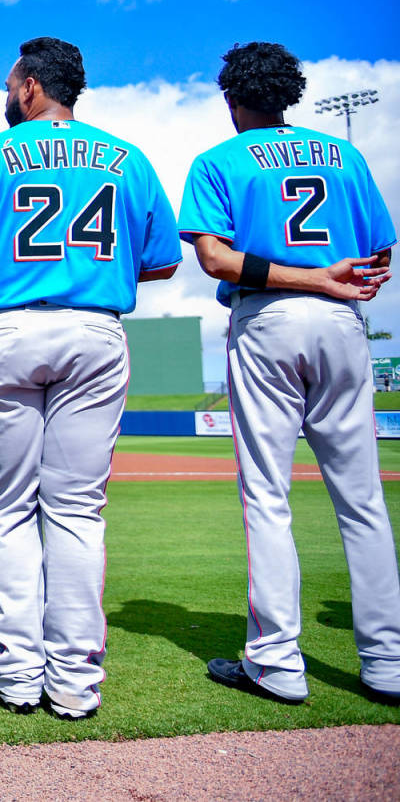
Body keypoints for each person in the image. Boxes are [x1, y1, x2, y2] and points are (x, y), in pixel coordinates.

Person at [0, 37, 182, 720]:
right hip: (95, 327)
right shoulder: (127, 155)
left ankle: (17, 675)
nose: (6, 91)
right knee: (77, 512)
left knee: (12, 509)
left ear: (29, 87)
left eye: (9, 80)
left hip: (10, 327)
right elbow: (163, 261)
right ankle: (74, 683)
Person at [178, 41, 400, 705]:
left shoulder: (218, 160)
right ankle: (387, 664)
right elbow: (380, 249)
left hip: (268, 316)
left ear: (232, 100)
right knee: (362, 500)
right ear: (291, 93)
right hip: (339, 319)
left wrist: (299, 277)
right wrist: (335, 282)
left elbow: (215, 260)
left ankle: (278, 663)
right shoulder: (346, 155)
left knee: (268, 496)